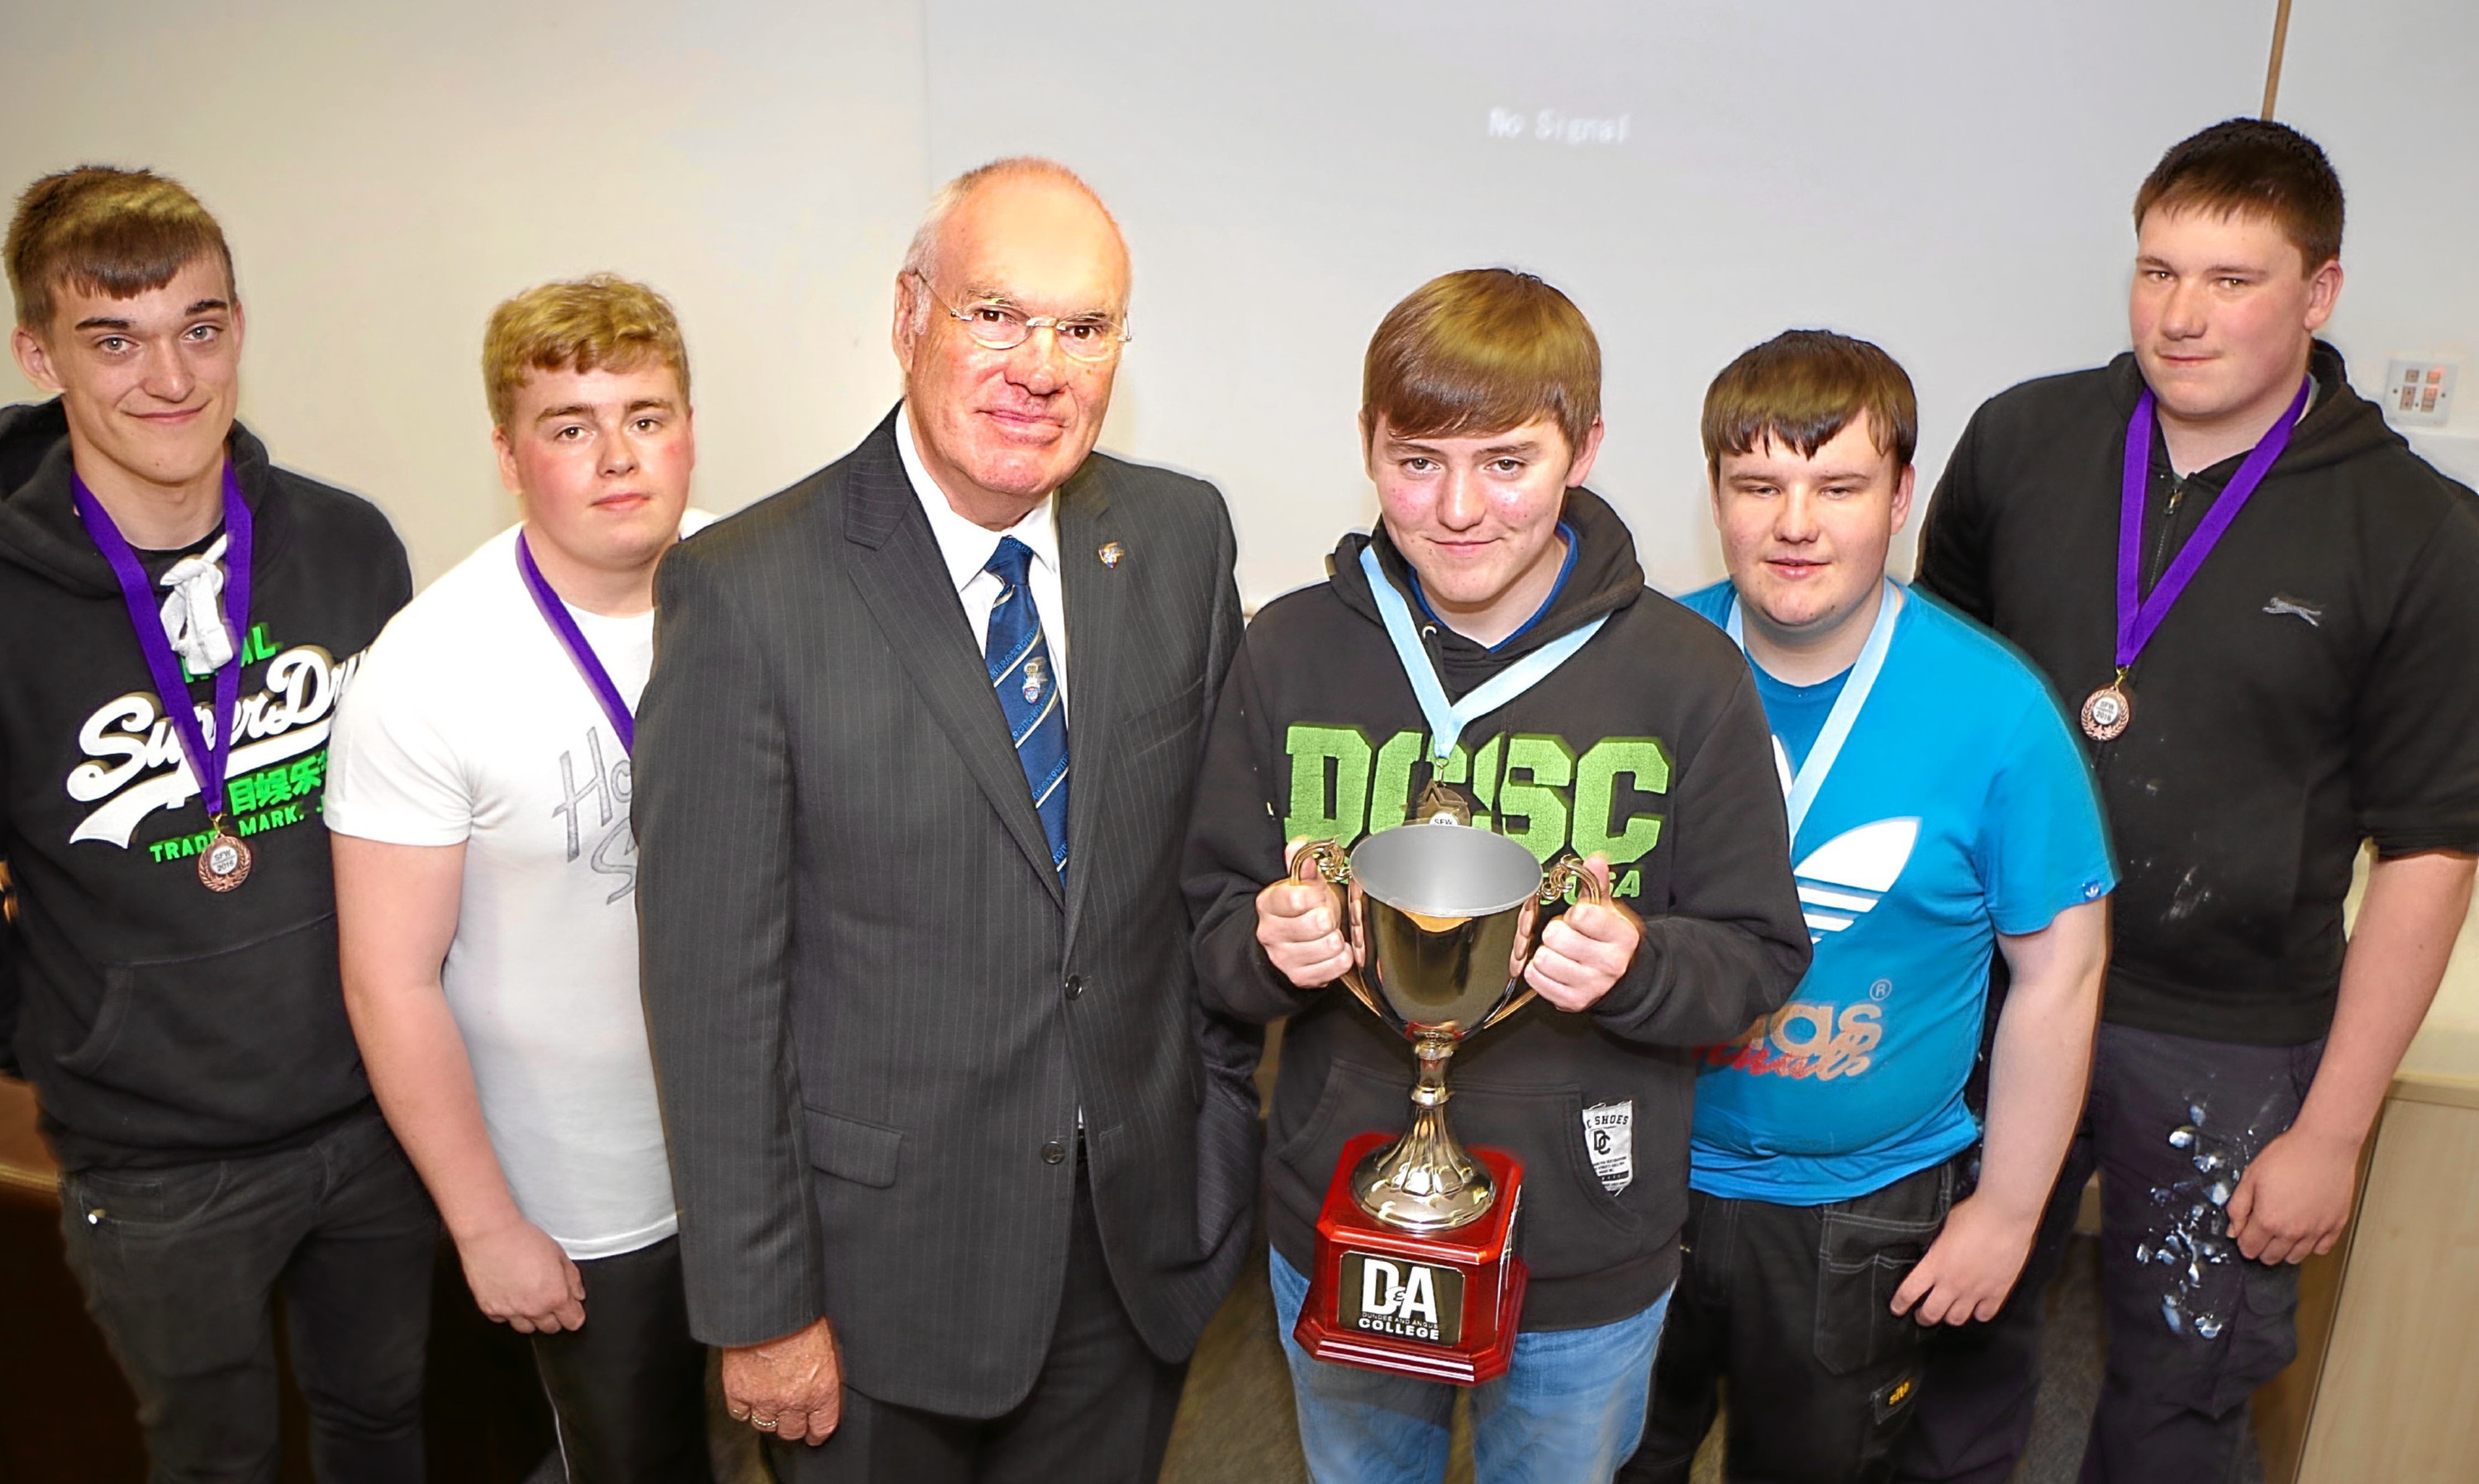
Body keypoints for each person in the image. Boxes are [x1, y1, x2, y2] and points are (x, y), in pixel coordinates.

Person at [630, 157, 1259, 1483]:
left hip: (1126, 1255)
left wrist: (1206, 1131)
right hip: (872, 1291)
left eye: (1084, 329)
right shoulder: (746, 593)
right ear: (909, 311)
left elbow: (1194, 883)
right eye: (996, 315)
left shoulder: (1180, 537)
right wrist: (761, 1308)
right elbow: (713, 994)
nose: (1042, 365)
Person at [1898, 118, 2479, 1482]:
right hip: (1991, 991)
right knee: (1943, 1354)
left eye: (2232, 280)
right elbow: (1935, 704)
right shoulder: (2025, 438)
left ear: (2319, 293)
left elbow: (2434, 851)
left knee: (2181, 1395)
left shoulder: (2420, 534)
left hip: (2227, 1039)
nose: (2182, 314)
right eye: (2158, 272)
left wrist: (2332, 1130)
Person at [1184, 268, 1811, 1484]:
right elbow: (1206, 922)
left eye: (1509, 462)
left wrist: (1641, 963)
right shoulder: (1292, 652)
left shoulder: (1686, 675)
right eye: (1417, 460)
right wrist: (1265, 945)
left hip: (1587, 1240)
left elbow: (1758, 950)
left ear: (1585, 448)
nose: (1460, 508)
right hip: (1342, 1215)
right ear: (1367, 447)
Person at [1615, 331, 2114, 1483]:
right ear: (1717, 497)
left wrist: (2009, 1212)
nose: (1797, 523)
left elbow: (2061, 974)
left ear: (1900, 499)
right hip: (1635, 1176)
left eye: (1838, 486)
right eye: (1759, 487)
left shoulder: (1993, 707)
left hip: (1862, 1215)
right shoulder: (1639, 666)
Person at [0, 166, 430, 1480]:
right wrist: (63, 1040)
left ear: (239, 326)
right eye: (112, 339)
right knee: (213, 1463)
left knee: (382, 1427)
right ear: (38, 351)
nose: (169, 378)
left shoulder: (349, 547)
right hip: (157, 1166)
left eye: (199, 326)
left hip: (374, 1117)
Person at [326, 274, 716, 1483]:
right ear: (508, 454)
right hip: (587, 1186)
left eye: (646, 415)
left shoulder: (751, 587)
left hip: (767, 1142)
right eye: (569, 426)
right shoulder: (430, 668)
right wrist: (487, 1223)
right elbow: (389, 980)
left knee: (810, 1434)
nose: (618, 456)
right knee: (642, 1462)